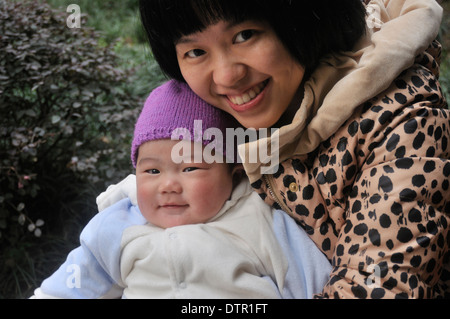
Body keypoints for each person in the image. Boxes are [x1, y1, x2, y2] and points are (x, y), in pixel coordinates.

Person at [98, 0, 449, 298]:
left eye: (245, 35)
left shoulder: (404, 125)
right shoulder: (235, 111)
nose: (226, 76)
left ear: (302, 19)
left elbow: (379, 286)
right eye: (195, 52)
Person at [32, 80, 332, 299]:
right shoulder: (118, 224)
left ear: (234, 171)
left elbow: (314, 281)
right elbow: (68, 287)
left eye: (190, 168)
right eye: (151, 171)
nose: (168, 185)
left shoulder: (262, 218)